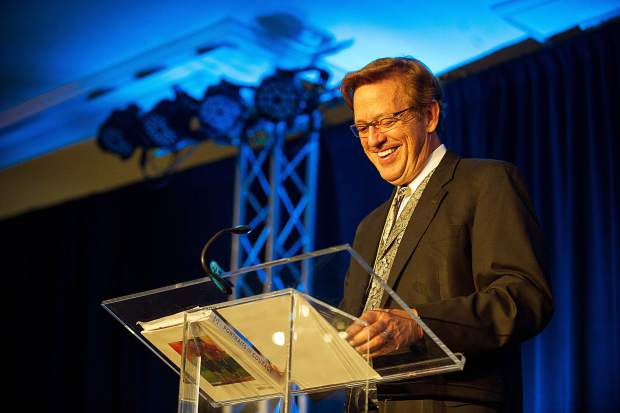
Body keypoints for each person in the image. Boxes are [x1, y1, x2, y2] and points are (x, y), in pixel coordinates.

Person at [338, 57, 554, 413]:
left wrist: (418, 324)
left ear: (430, 116)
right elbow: (352, 329)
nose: (374, 140)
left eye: (387, 120)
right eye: (363, 127)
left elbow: (524, 298)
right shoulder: (369, 226)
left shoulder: (485, 182)